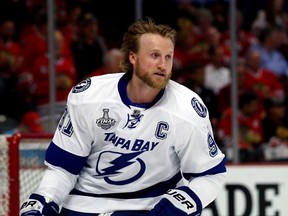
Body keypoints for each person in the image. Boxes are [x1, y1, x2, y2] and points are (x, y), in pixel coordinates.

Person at [20, 17, 226, 216]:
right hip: (85, 203)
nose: (163, 65)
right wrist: (44, 198)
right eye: (154, 55)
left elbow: (210, 174)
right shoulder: (89, 97)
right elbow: (64, 168)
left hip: (150, 206)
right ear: (132, 57)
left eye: (168, 56)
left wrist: (182, 203)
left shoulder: (186, 109)